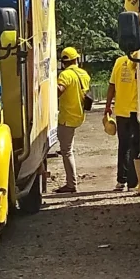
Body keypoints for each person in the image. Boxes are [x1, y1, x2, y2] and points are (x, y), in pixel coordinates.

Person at [55, 46, 91, 194]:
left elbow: (60, 90)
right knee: (68, 149)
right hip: (79, 115)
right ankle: (71, 182)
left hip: (67, 118)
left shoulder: (65, 75)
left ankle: (71, 184)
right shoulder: (84, 74)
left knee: (66, 151)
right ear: (76, 59)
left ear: (63, 62)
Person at [105, 51, 140, 192]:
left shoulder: (119, 62)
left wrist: (108, 106)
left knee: (124, 146)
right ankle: (134, 182)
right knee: (136, 146)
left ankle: (121, 181)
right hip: (137, 110)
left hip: (121, 110)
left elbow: (111, 85)